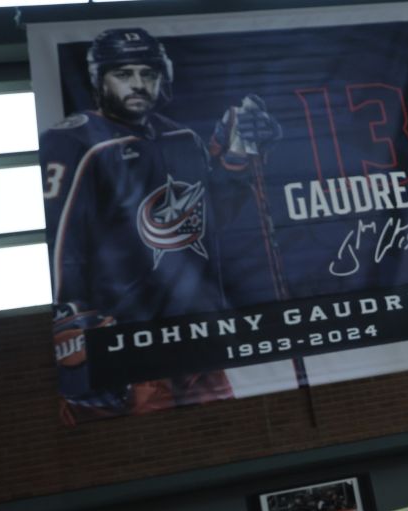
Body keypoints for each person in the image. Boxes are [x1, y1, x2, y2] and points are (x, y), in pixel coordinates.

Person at [42, 27, 280, 422]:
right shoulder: (74, 143)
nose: (138, 84)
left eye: (148, 74)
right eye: (124, 73)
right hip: (129, 345)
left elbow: (207, 221)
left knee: (230, 437)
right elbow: (59, 245)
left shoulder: (181, 137)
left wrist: (236, 158)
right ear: (99, 79)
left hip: (196, 340)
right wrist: (71, 321)